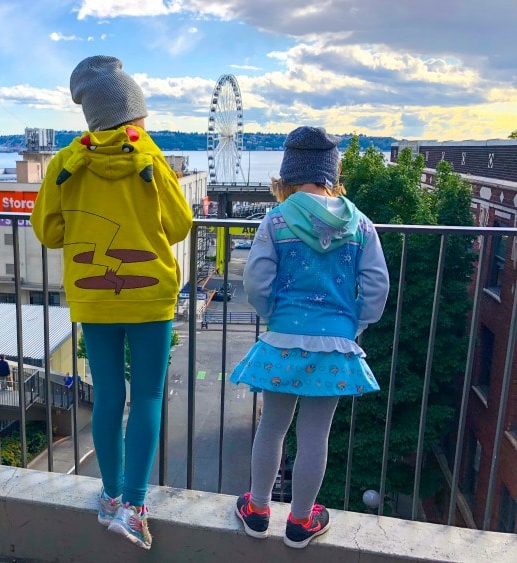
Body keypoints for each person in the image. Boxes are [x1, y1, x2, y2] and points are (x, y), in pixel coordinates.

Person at [31, 55, 193, 550]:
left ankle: (109, 497)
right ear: (133, 114)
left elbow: (48, 231)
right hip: (150, 296)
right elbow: (181, 224)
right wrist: (152, 164)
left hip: (93, 295)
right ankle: (135, 506)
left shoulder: (65, 162)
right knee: (145, 396)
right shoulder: (150, 157)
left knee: (107, 395)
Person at [229, 126, 390, 549]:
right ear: (331, 174)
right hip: (336, 342)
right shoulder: (360, 224)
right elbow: (376, 286)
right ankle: (301, 522)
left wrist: (275, 317)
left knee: (272, 426)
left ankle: (258, 510)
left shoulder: (276, 220)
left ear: (286, 174)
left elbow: (256, 281)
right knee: (316, 435)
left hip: (284, 336)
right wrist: (352, 326)